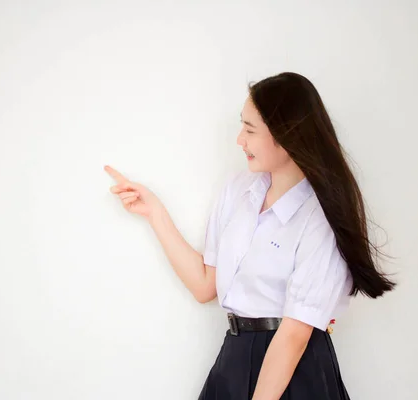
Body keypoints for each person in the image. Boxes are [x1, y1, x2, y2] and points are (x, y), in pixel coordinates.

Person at [105, 72, 395, 400]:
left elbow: (294, 335)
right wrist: (154, 212)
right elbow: (205, 286)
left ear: (287, 136)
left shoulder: (320, 215)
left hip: (294, 368)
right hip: (235, 357)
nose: (240, 140)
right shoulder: (239, 190)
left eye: (250, 129)